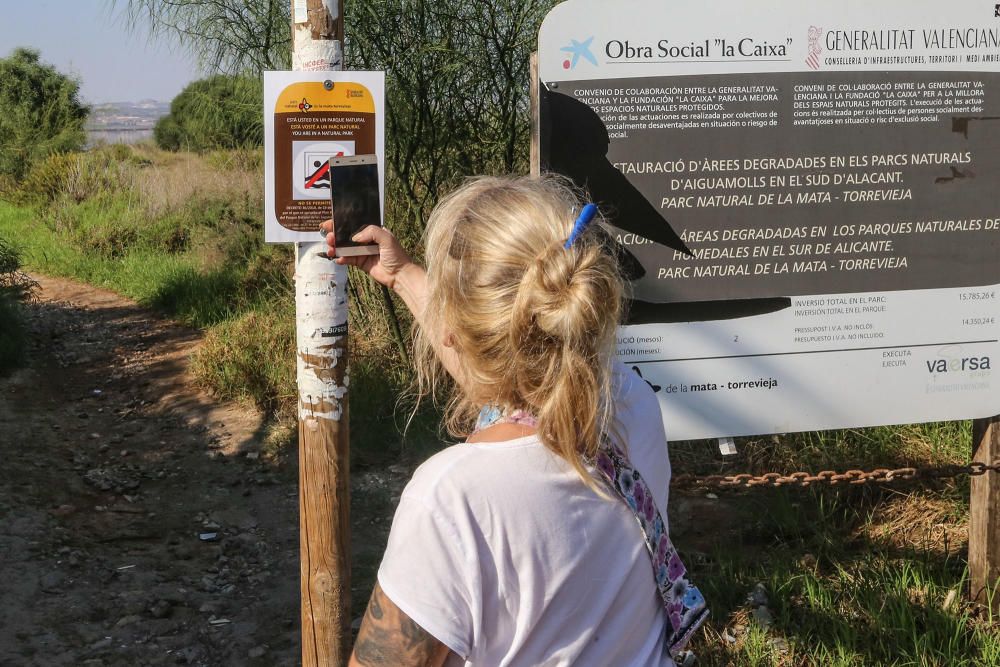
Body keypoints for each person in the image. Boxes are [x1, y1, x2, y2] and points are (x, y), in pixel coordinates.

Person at [320, 175, 703, 667]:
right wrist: (402, 274)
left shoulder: (451, 501)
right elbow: (514, 384)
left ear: (453, 329)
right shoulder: (631, 404)